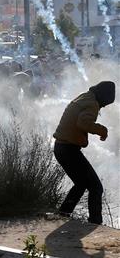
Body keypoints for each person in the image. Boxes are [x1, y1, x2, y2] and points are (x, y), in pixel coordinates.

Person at [53, 81, 115, 225]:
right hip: (68, 149)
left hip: (61, 147)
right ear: (103, 97)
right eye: (105, 103)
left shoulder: (85, 96)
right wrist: (102, 130)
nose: (103, 106)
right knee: (96, 187)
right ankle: (95, 223)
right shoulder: (92, 103)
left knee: (81, 184)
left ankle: (63, 214)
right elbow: (83, 123)